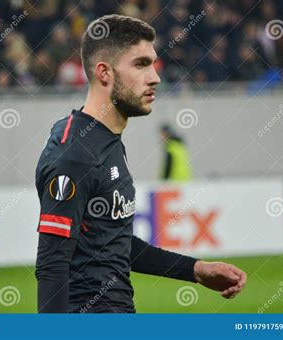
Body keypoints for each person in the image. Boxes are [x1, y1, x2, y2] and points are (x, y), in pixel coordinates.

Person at [35, 14, 247, 313]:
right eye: (140, 64)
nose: (155, 77)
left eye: (153, 63)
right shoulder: (75, 154)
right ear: (104, 72)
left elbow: (114, 244)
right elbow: (52, 266)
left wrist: (196, 270)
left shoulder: (106, 140)